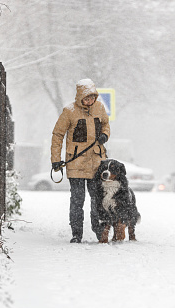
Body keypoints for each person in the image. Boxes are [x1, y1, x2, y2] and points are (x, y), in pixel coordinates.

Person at [51, 79, 110, 243]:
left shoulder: (100, 108)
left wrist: (105, 134)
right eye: (87, 98)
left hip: (97, 163)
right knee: (77, 201)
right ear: (80, 97)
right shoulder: (69, 111)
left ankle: (99, 231)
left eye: (92, 97)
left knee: (97, 199)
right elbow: (57, 135)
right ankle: (76, 234)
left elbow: (106, 124)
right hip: (76, 163)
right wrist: (56, 160)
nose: (90, 101)